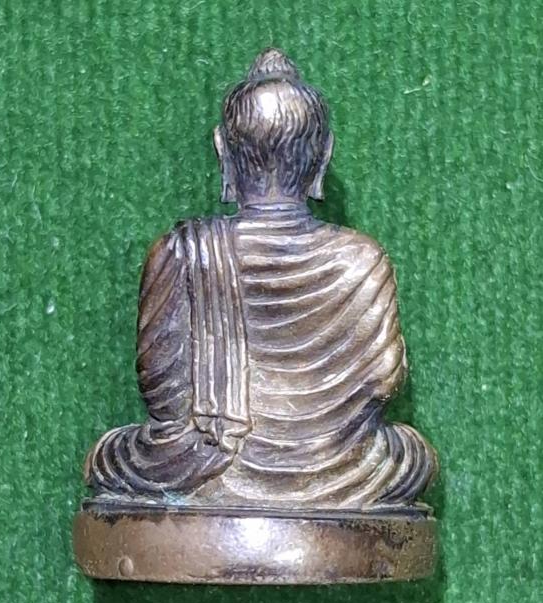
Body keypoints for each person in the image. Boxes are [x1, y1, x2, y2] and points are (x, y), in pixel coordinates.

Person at [85, 48, 438, 510]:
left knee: (109, 459)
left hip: (201, 464)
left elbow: (160, 387)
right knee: (412, 458)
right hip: (340, 470)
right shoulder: (362, 259)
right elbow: (384, 380)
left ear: (223, 151)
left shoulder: (182, 251)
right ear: (323, 155)